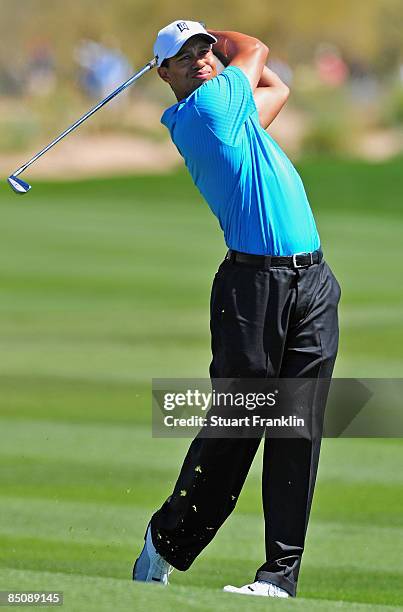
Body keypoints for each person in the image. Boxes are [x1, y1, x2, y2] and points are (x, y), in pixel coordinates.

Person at [132, 20, 341, 598]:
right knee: (242, 421)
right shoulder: (206, 114)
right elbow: (257, 51)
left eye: (203, 50)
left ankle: (278, 577)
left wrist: (218, 55)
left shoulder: (235, 112)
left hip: (313, 282)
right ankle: (167, 540)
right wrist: (222, 38)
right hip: (253, 289)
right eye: (185, 55)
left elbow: (279, 90)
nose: (200, 59)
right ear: (163, 73)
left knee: (298, 428)